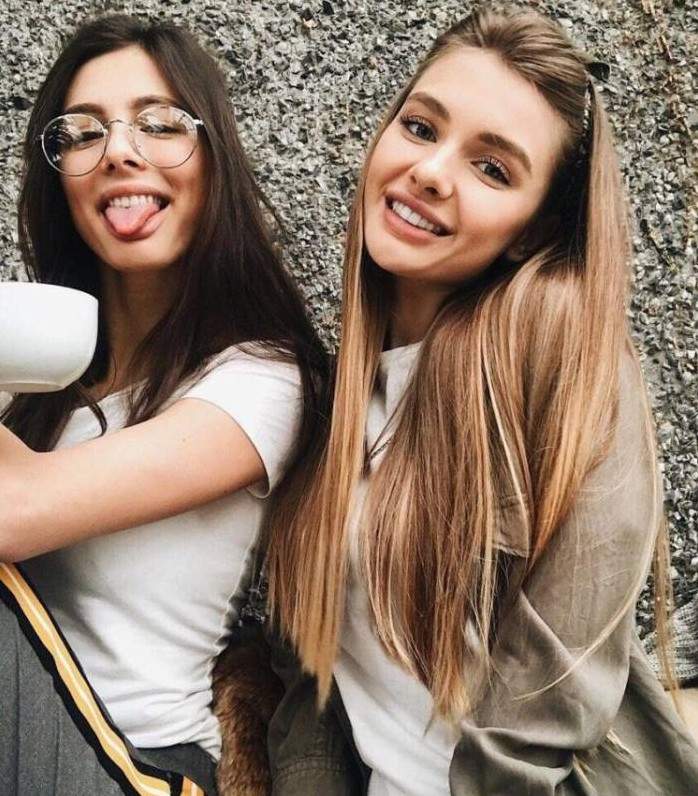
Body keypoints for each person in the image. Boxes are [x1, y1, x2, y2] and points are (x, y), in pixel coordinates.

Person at [264, 6, 698, 794]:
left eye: (493, 169)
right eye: (421, 128)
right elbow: (310, 684)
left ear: (531, 232)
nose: (432, 171)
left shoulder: (567, 357)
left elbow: (544, 708)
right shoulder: (336, 399)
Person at [0, 14, 326, 796]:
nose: (119, 149)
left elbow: (10, 508)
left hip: (139, 769)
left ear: (214, 161)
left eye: (159, 123)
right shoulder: (35, 383)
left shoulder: (266, 381)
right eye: (83, 133)